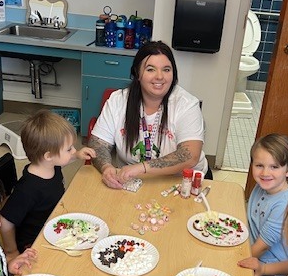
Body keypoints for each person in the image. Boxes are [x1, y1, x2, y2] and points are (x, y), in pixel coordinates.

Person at [88, 40, 209, 189]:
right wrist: (106, 168)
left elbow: (190, 155)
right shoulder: (118, 100)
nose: (160, 76)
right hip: (132, 182)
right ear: (137, 74)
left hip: (183, 183)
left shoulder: (187, 104)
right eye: (150, 69)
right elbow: (98, 143)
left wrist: (142, 167)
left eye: (166, 69)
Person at [0, 110, 96, 259]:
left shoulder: (49, 166)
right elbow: (5, 220)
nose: (74, 150)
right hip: (33, 243)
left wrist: (76, 156)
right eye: (69, 149)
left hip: (53, 225)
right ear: (49, 156)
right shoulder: (28, 189)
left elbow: (60, 164)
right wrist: (11, 252)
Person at [237, 134, 288, 276]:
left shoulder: (285, 204)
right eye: (259, 165)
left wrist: (231, 261)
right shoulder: (261, 186)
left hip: (270, 272)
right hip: (252, 252)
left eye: (274, 167)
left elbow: (261, 247)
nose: (265, 173)